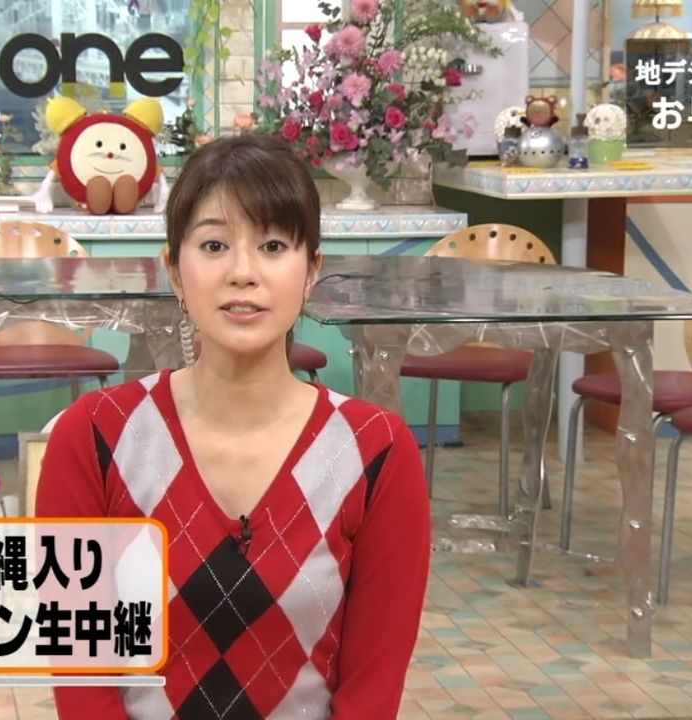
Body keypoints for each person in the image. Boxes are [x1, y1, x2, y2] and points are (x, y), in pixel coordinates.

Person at [36, 133, 432, 719]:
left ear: (311, 271)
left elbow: (373, 686)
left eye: (273, 245)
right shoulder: (96, 437)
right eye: (214, 245)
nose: (243, 272)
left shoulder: (376, 450)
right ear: (175, 270)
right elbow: (80, 671)